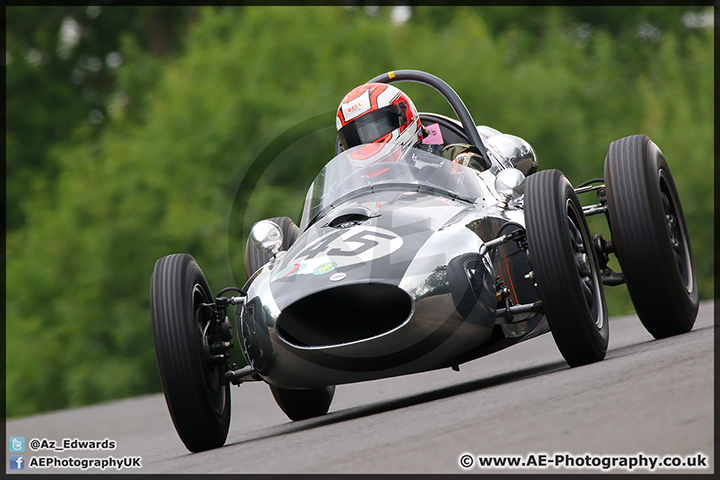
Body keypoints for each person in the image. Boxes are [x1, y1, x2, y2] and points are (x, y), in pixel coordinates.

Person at [335, 82, 538, 175]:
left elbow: (476, 178)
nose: (367, 142)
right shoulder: (349, 184)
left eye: (375, 128)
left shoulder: (450, 155)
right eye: (355, 139)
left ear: (402, 114)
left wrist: (464, 169)